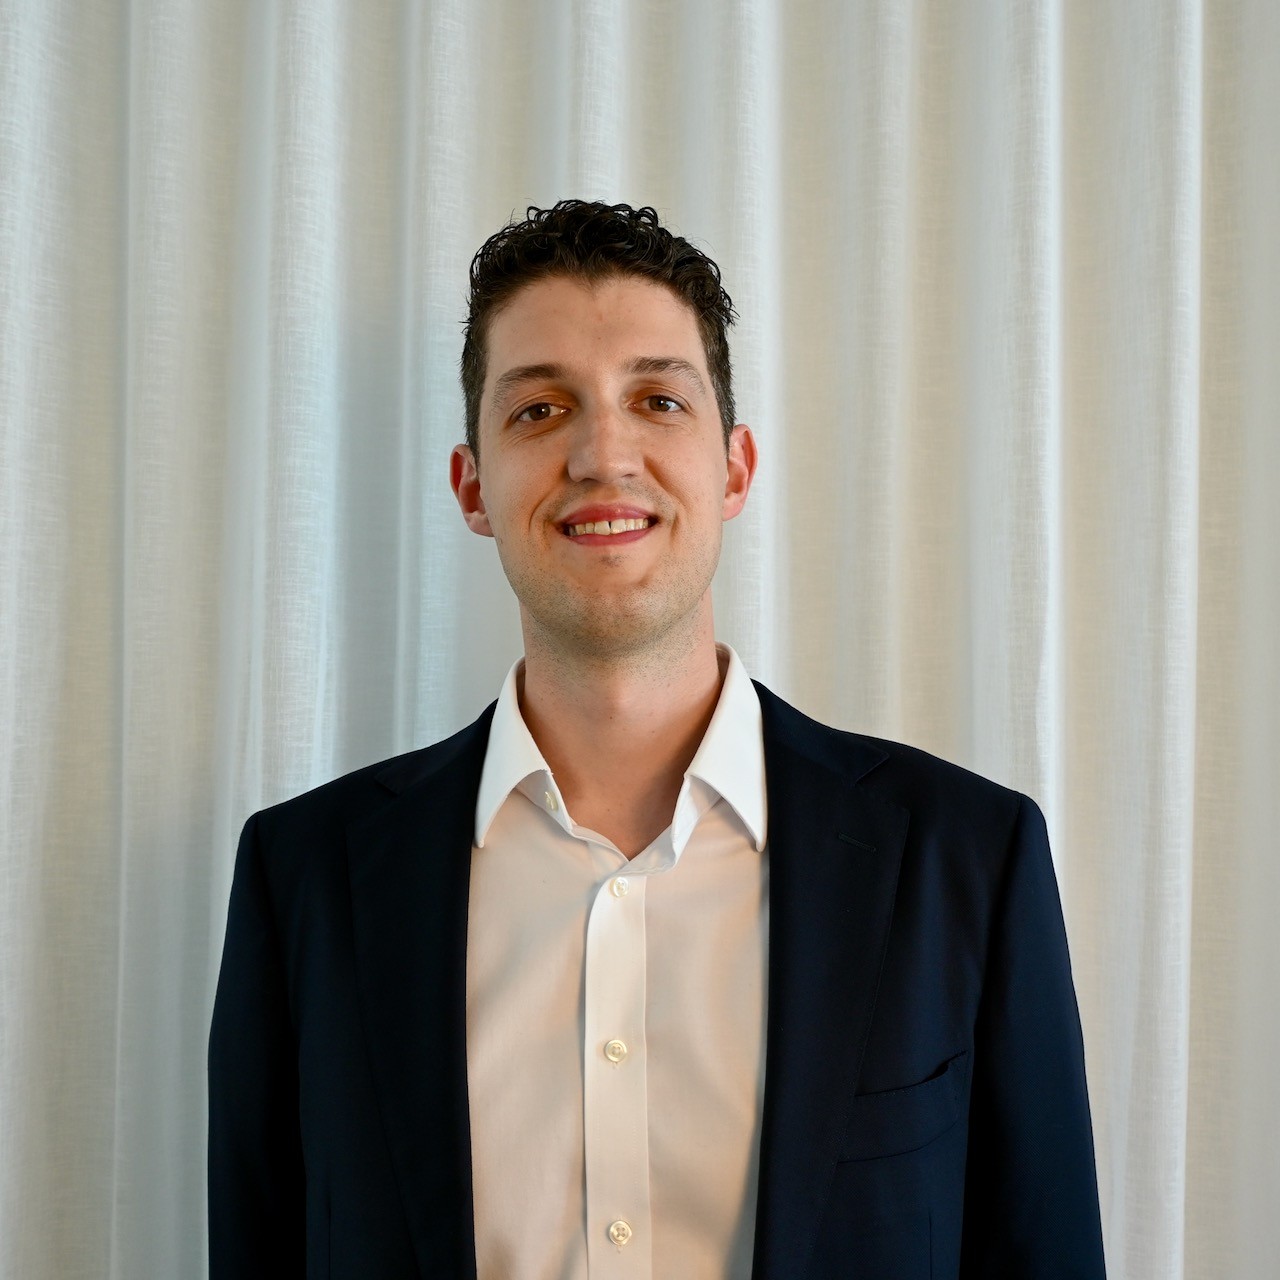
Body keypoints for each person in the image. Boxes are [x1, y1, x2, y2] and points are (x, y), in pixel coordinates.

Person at [208, 200, 1106, 1279]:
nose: (601, 452)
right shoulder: (304, 876)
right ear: (470, 486)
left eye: (656, 399)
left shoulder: (967, 857)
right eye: (540, 409)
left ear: (732, 468)